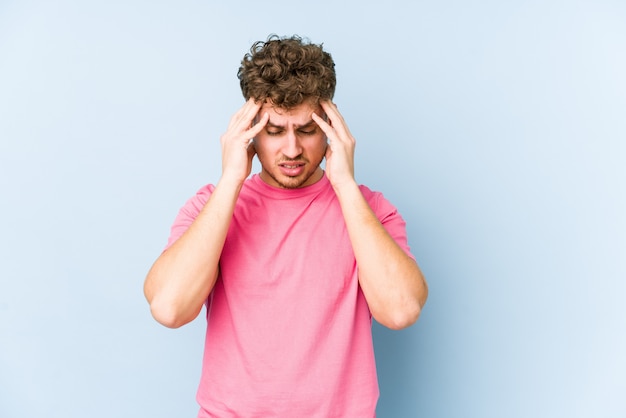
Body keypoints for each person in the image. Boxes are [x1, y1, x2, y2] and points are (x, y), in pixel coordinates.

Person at [143, 34, 428, 417]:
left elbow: (401, 311)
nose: (292, 150)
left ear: (330, 128)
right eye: (275, 131)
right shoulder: (209, 208)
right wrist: (231, 179)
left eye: (306, 130)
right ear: (250, 132)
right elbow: (169, 308)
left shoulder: (370, 211)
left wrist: (344, 183)